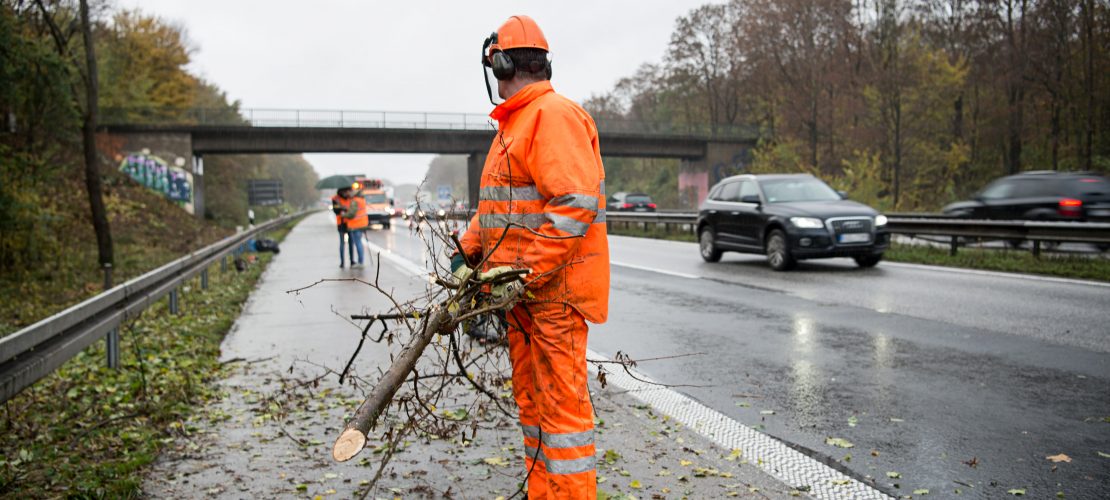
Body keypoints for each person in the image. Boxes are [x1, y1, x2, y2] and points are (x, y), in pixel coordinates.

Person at [457, 15, 609, 499]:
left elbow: (573, 207)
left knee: (562, 418)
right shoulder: (515, 125)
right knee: (532, 405)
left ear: (501, 63)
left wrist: (524, 275)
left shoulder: (553, 117)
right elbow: (501, 210)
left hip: (553, 297)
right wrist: (468, 251)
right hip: (526, 296)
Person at [340, 185, 368, 269]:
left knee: (358, 243)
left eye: (347, 193)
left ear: (350, 191)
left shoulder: (355, 200)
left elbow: (352, 214)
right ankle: (361, 261)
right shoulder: (361, 198)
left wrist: (344, 214)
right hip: (362, 223)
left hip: (356, 225)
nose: (346, 195)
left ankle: (360, 262)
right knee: (359, 243)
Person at [332, 188, 357, 268]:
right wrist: (343, 208)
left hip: (350, 223)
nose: (347, 193)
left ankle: (352, 261)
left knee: (351, 243)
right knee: (342, 243)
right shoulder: (336, 198)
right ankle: (342, 262)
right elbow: (336, 210)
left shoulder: (350, 197)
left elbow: (353, 209)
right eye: (345, 191)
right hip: (341, 223)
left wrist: (344, 209)